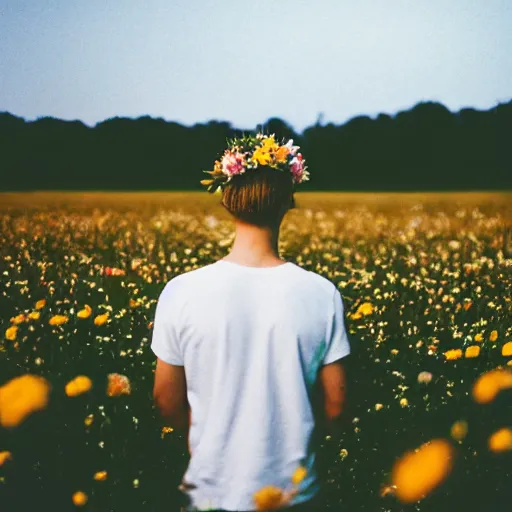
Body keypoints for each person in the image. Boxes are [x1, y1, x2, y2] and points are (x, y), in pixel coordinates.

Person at [151, 134, 351, 511]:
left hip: (209, 491)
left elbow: (166, 401)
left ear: (228, 200)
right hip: (295, 494)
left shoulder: (181, 291)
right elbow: (337, 406)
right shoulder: (322, 294)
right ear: (287, 203)